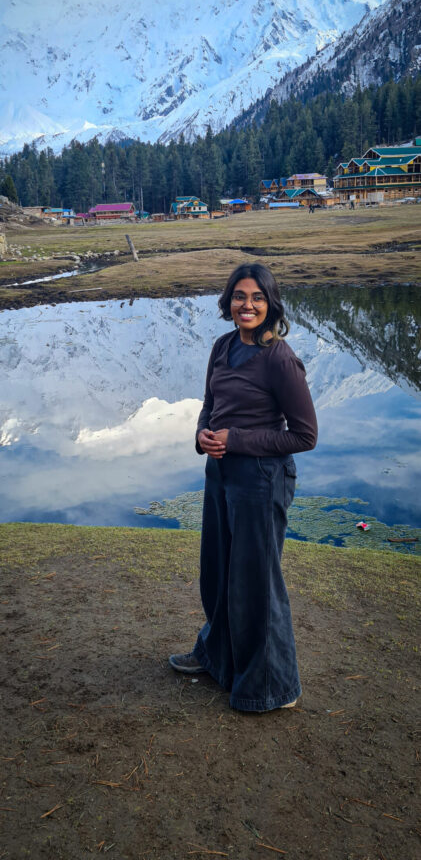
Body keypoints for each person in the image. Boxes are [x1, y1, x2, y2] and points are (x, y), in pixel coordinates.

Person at [169, 263, 318, 713]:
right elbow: (210, 406)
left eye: (256, 298)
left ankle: (273, 687)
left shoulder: (280, 359)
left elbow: (304, 436)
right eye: (239, 296)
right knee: (216, 572)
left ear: (271, 304)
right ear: (228, 302)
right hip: (221, 475)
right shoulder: (223, 346)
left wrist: (237, 439)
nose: (246, 305)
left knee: (256, 582)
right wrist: (203, 436)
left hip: (261, 480)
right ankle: (218, 659)